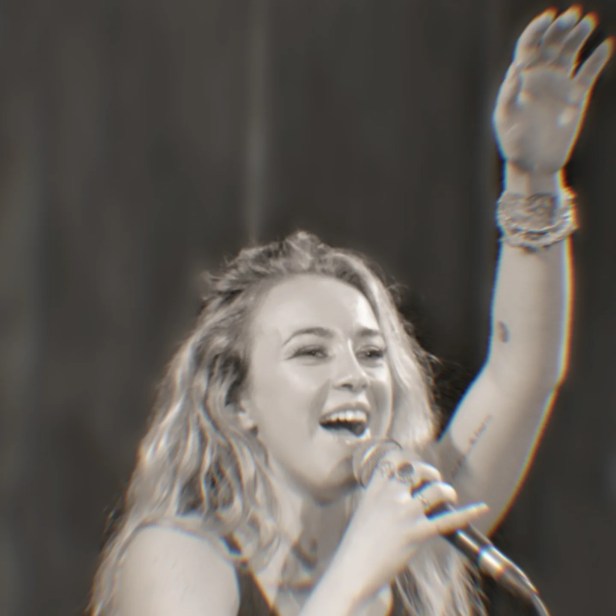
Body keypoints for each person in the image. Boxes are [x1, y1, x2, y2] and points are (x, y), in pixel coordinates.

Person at [90, 7, 611, 615]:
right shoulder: (178, 556)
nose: (355, 375)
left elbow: (522, 371)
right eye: (312, 351)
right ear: (236, 401)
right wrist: (361, 568)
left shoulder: (407, 533)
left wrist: (532, 176)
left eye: (371, 352)